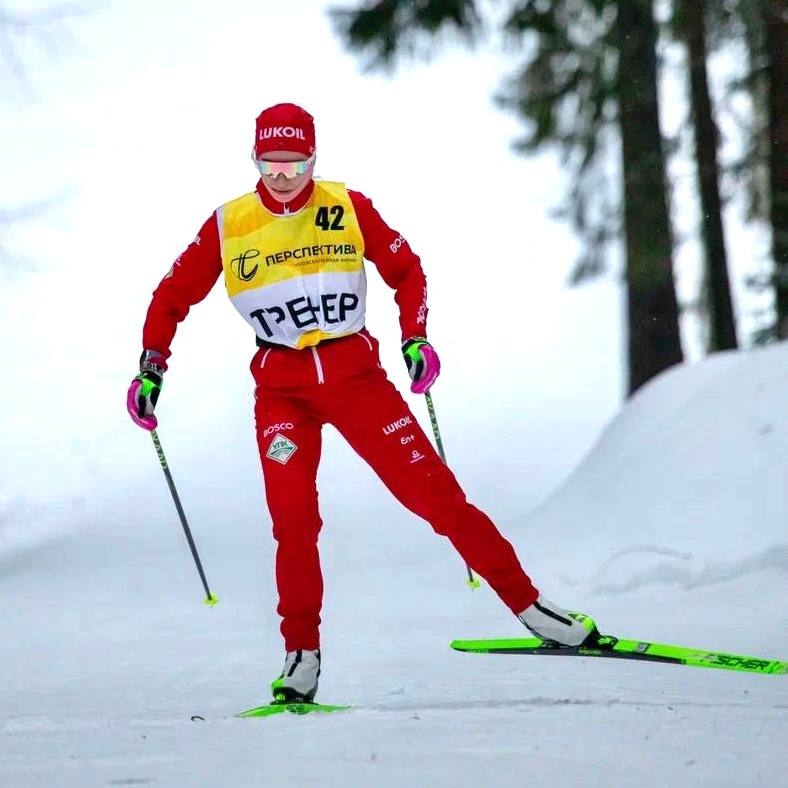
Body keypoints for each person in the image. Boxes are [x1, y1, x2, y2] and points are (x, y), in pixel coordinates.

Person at [127, 102, 598, 704]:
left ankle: (534, 611)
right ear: (254, 160)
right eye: (270, 163)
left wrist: (416, 336)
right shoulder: (229, 224)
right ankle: (301, 658)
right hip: (281, 388)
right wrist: (151, 367)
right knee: (294, 522)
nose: (282, 176)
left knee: (438, 497)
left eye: (295, 162)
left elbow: (407, 269)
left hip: (357, 378)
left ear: (313, 159)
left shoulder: (346, 206)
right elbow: (170, 296)